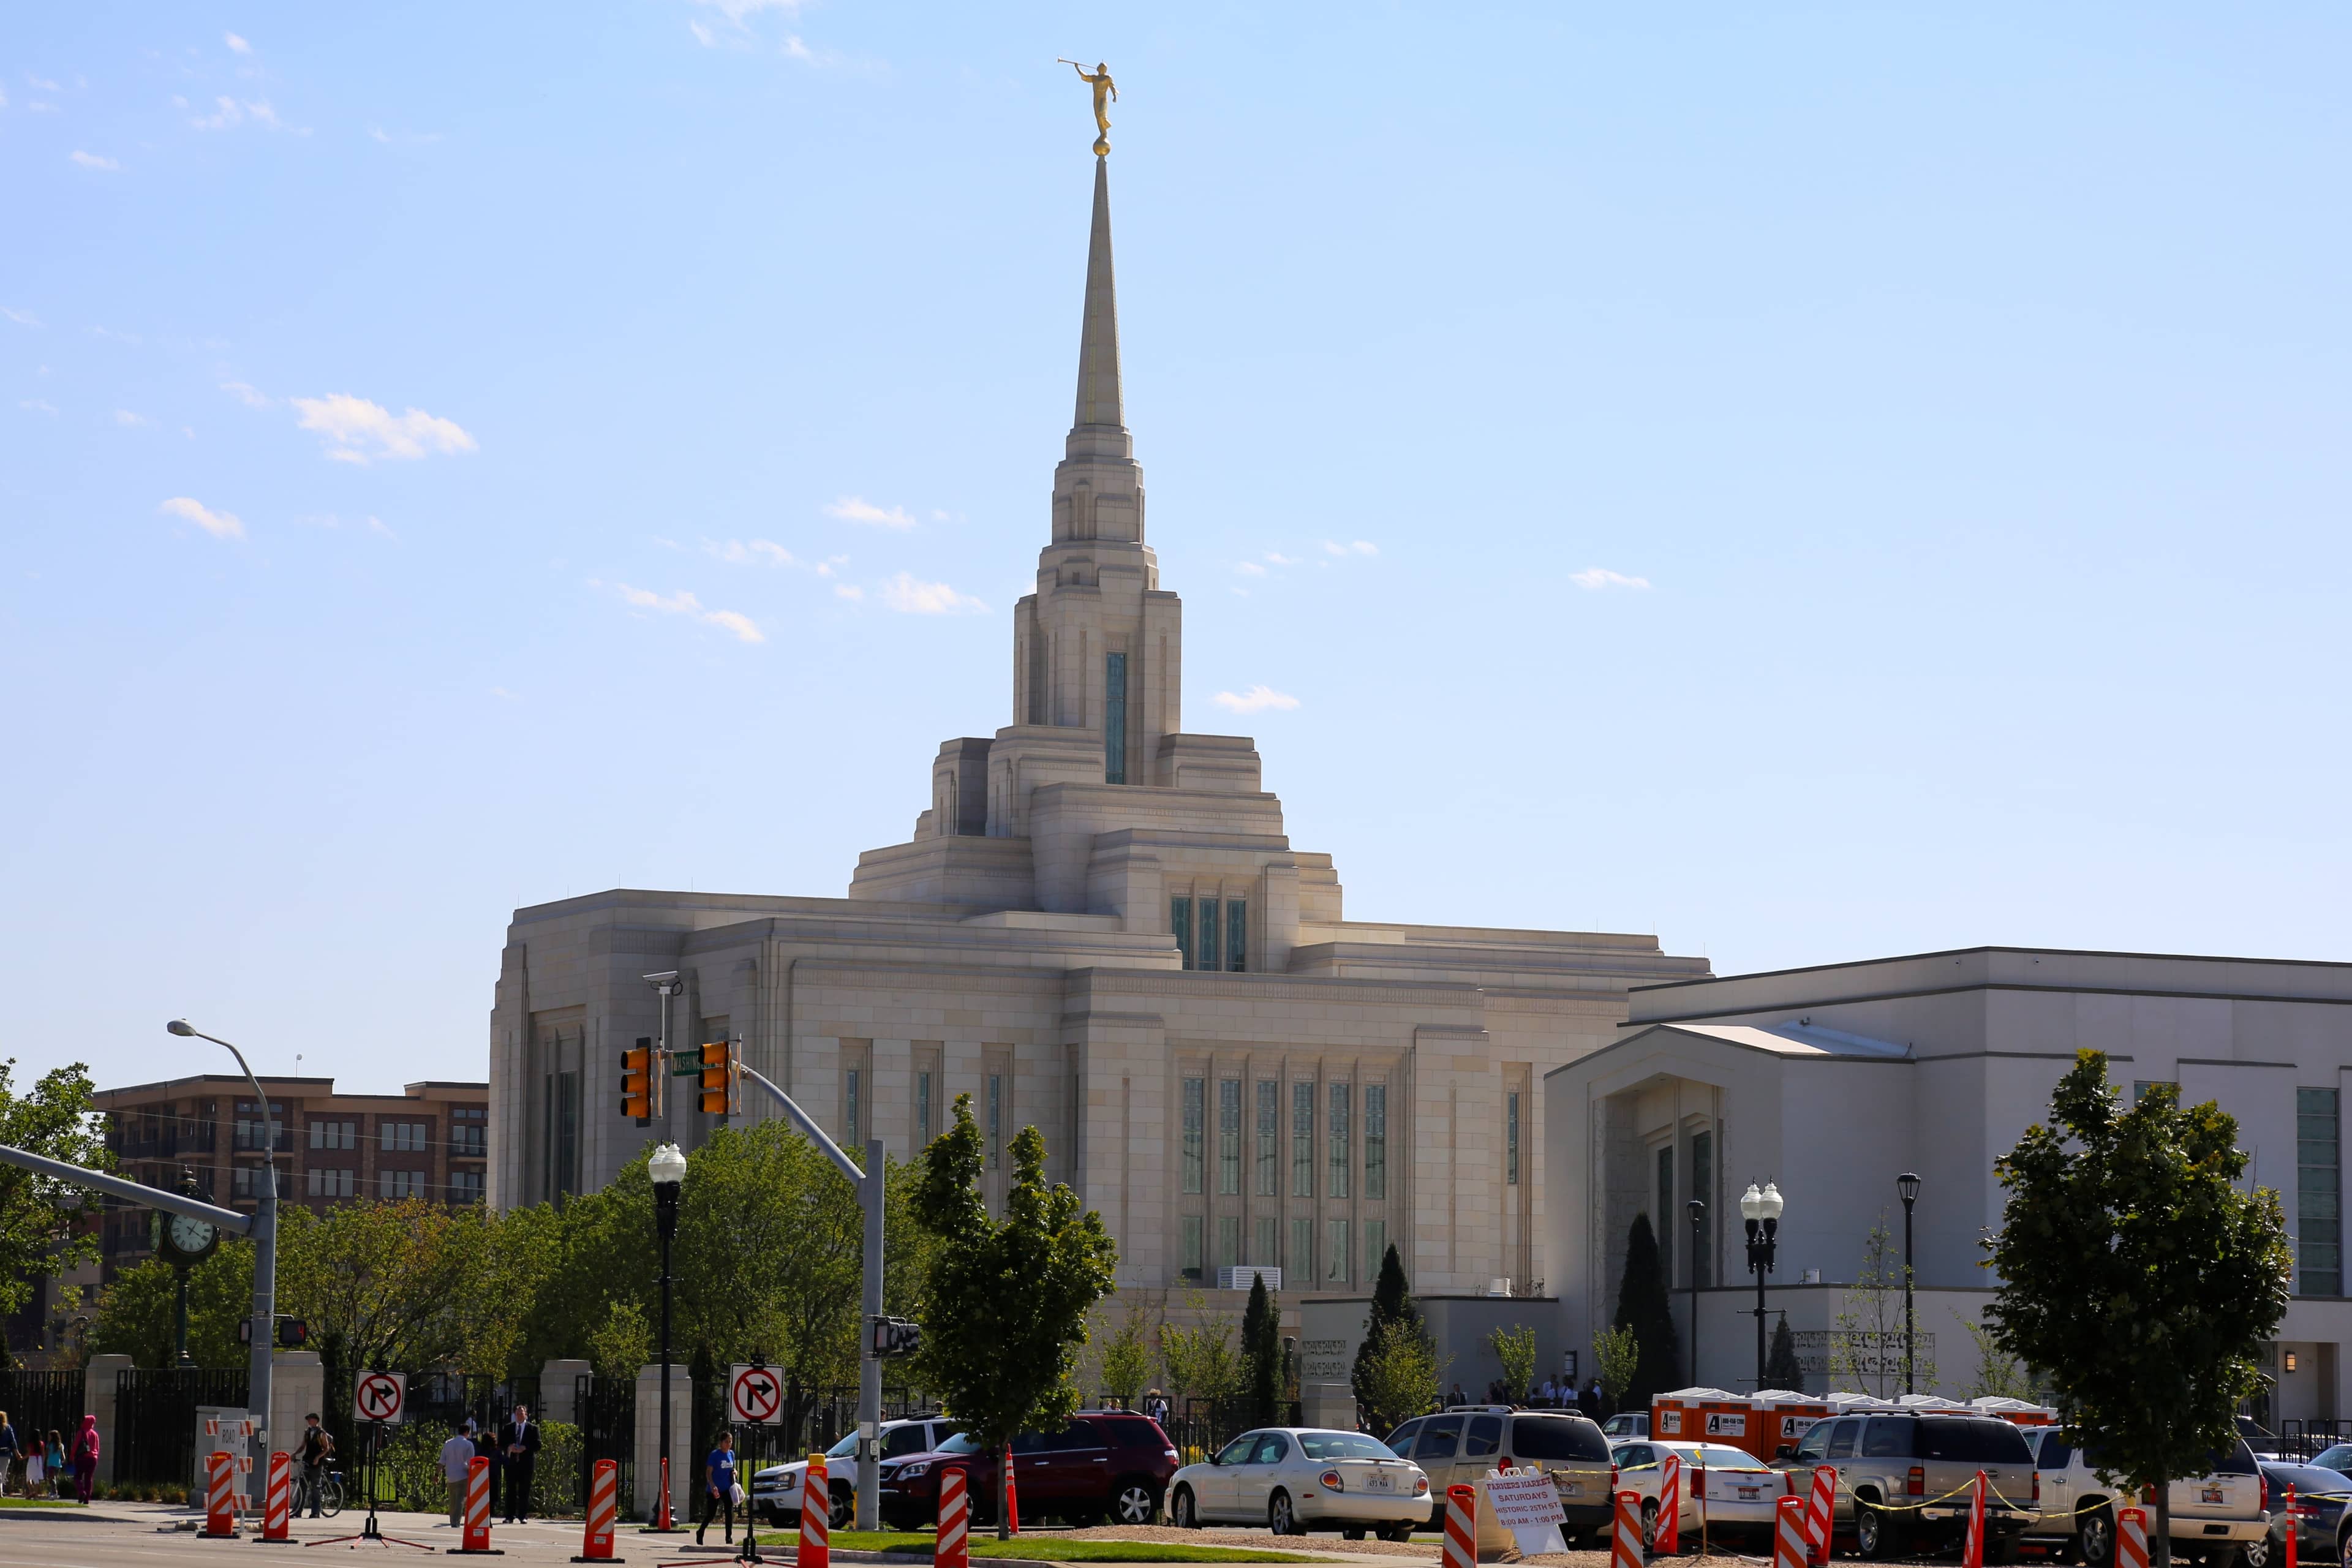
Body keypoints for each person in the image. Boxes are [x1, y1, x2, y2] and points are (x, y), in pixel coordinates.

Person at [497, 1404, 539, 1524]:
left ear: (526, 1415)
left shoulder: (532, 1429)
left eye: (522, 1414)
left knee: (524, 1491)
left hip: (526, 1464)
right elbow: (501, 1443)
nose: (520, 1416)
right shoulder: (508, 1428)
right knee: (510, 1490)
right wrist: (509, 1448)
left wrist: (525, 1448)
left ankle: (523, 1516)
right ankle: (509, 1516)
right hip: (511, 1464)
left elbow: (538, 1445)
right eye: (518, 1414)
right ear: (515, 1415)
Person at [696, 1431, 737, 1546]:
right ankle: (700, 1532)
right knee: (711, 1514)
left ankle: (728, 1537)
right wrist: (712, 1485)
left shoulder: (732, 1454)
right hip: (714, 1489)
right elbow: (709, 1472)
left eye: (730, 1442)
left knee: (729, 1512)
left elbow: (732, 1469)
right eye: (726, 1442)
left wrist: (735, 1472)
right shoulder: (715, 1455)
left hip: (727, 1488)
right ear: (721, 1443)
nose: (729, 1444)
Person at [439, 1420, 478, 1528]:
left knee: (453, 1499)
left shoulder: (448, 1443)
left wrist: (437, 1474)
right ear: (467, 1432)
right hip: (463, 1474)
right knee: (460, 1499)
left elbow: (442, 1460)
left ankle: (452, 1520)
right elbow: (471, 1462)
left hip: (450, 1475)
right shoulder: (468, 1445)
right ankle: (456, 1521)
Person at [298, 1412, 334, 1518]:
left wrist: (318, 1457)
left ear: (316, 1421)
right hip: (308, 1460)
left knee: (316, 1488)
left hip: (317, 1463)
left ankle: (315, 1512)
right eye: (308, 1419)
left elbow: (326, 1448)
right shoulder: (308, 1432)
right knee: (302, 1486)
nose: (309, 1421)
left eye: (310, 1419)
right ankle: (298, 1511)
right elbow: (303, 1446)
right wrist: (295, 1454)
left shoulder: (321, 1433)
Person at [71, 1414, 99, 1505]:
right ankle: (87, 1499)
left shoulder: (81, 1432)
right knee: (89, 1478)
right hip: (93, 1459)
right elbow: (98, 1448)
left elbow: (75, 1445)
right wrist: (95, 1455)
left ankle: (81, 1492)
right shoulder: (95, 1434)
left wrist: (72, 1456)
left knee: (77, 1477)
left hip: (82, 1457)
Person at [44, 1431, 66, 1500]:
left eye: (50, 1436)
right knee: (53, 1478)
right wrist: (61, 1461)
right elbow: (64, 1457)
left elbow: (46, 1454)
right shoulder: (61, 1445)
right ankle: (52, 1492)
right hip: (57, 1465)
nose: (49, 1438)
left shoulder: (50, 1445)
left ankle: (55, 1493)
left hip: (51, 1464)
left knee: (51, 1479)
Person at [0, 1408, 16, 1498]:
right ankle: (1, 1491)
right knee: (3, 1473)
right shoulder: (8, 1428)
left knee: (0, 1473)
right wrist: (16, 1452)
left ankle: (0, 1491)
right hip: (6, 1454)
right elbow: (13, 1442)